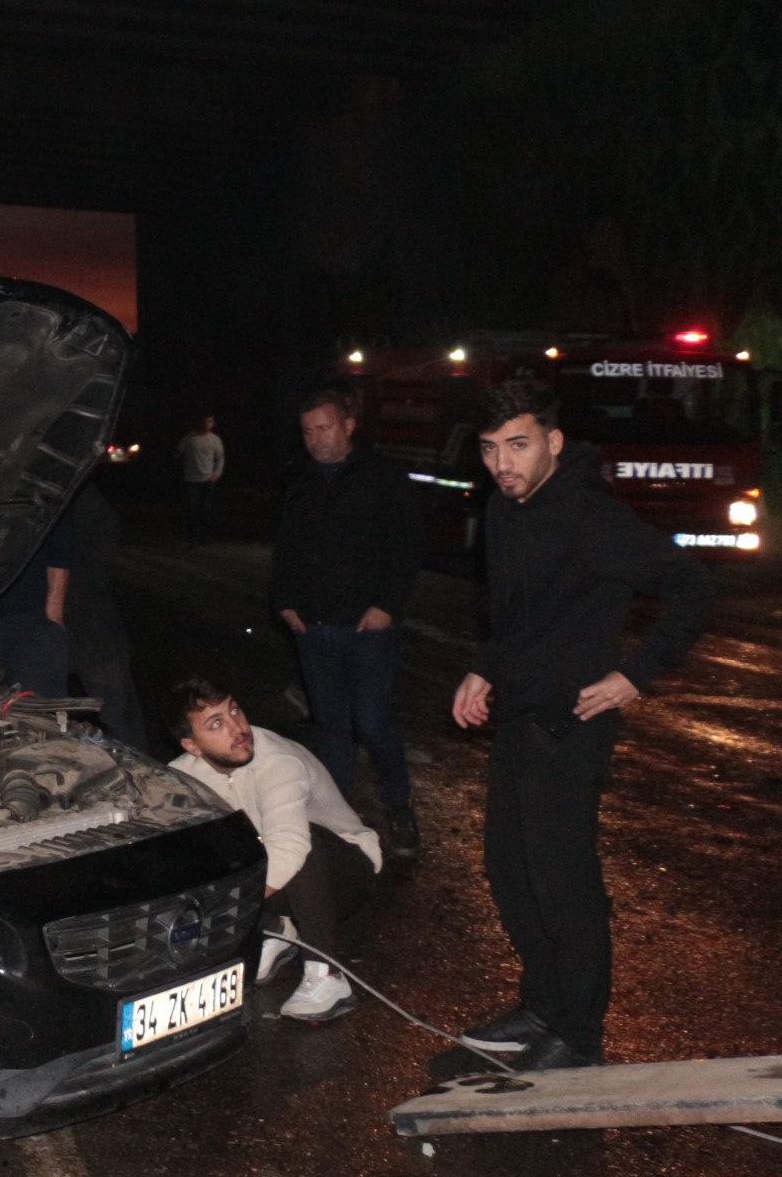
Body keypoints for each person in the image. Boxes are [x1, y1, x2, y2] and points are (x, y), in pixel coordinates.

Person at [450, 379, 713, 1069]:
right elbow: (514, 615)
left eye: (518, 445)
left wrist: (635, 675)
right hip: (521, 713)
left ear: (553, 443)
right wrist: (484, 666)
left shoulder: (590, 517)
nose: (502, 463)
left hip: (574, 721)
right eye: (489, 449)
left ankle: (580, 1035)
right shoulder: (507, 511)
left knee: (563, 880)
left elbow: (690, 584)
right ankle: (542, 1005)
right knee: (509, 870)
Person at [169, 677, 380, 1023]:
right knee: (202, 844)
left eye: (234, 710)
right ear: (192, 746)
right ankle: (276, 931)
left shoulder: (278, 760)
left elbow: (291, 846)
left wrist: (232, 911)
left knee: (301, 841)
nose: (237, 727)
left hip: (342, 873)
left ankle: (327, 973)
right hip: (276, 876)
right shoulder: (181, 776)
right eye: (217, 724)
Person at [272, 382, 425, 856]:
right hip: (314, 628)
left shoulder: (382, 478)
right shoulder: (301, 482)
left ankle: (399, 809)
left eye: (324, 428)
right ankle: (337, 822)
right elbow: (287, 547)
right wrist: (285, 600)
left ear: (349, 425)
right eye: (308, 432)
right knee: (331, 728)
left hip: (368, 630)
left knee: (374, 721)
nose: (316, 439)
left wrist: (387, 606)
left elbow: (406, 547)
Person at [61, 483, 143, 745]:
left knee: (120, 718)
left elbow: (98, 561)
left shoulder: (81, 498)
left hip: (91, 628)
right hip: (41, 629)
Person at [0, 510, 74, 697]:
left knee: (35, 708)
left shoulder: (46, 509)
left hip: (32, 625)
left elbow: (59, 566)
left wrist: (52, 620)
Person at [176, 413, 225, 543]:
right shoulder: (189, 438)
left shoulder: (215, 439)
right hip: (191, 479)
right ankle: (192, 536)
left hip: (208, 479)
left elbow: (220, 458)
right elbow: (178, 453)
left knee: (205, 509)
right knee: (192, 509)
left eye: (209, 422)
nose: (206, 425)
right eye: (204, 422)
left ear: (213, 424)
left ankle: (204, 537)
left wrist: (217, 474)